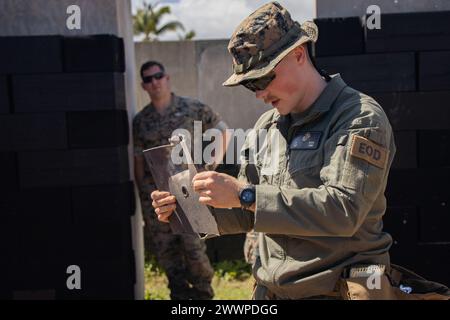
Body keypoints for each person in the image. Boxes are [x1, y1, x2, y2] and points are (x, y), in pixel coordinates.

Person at [151, 2, 447, 300]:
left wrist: (246, 194)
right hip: (270, 293)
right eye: (249, 85)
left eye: (263, 78)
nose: (260, 94)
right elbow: (248, 215)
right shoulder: (266, 127)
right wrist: (190, 210)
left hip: (335, 290)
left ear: (298, 54)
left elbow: (343, 211)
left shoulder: (358, 118)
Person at [133, 60, 228, 300]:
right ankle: (179, 299)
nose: (154, 82)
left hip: (190, 196)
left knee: (195, 252)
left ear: (166, 78)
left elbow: (223, 130)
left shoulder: (191, 107)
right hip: (158, 199)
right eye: (148, 79)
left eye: (158, 76)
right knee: (168, 256)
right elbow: (138, 162)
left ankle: (204, 297)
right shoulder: (141, 121)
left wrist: (212, 166)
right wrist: (145, 198)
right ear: (144, 86)